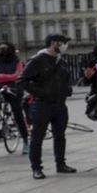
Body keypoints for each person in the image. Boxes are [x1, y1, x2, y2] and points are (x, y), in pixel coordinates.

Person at [19, 34, 76, 179]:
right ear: (53, 43)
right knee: (38, 138)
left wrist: (67, 89)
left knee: (60, 136)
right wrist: (41, 93)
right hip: (42, 104)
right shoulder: (38, 60)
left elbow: (66, 78)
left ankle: (61, 164)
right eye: (63, 43)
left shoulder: (60, 61)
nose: (65, 46)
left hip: (60, 104)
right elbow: (22, 81)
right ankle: (36, 168)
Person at [0, 42, 29, 151]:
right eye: (0, 49)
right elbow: (12, 76)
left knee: (17, 113)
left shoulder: (17, 62)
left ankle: (25, 140)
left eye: (5, 48)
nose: (3, 51)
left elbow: (17, 76)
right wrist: (8, 77)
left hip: (14, 89)